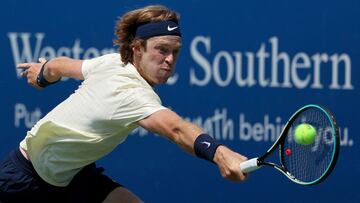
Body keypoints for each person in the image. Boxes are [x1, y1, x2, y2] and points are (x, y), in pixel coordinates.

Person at [0, 5, 248, 203]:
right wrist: (219, 152)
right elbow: (175, 128)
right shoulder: (132, 93)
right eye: (161, 50)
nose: (170, 59)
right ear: (137, 48)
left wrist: (43, 73)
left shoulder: (112, 62)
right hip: (24, 179)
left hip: (72, 175)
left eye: (176, 51)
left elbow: (60, 65)